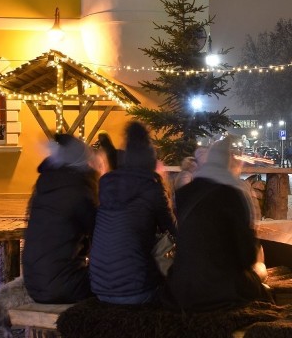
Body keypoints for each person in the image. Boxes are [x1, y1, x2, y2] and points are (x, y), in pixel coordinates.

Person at [165, 137, 268, 311]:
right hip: (220, 291)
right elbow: (247, 256)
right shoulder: (233, 195)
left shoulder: (184, 193)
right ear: (228, 165)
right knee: (261, 272)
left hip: (183, 288)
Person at [89, 121, 176, 305]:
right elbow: (172, 229)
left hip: (99, 287)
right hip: (135, 290)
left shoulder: (106, 183)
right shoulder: (152, 187)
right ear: (150, 160)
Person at [22, 133, 98, 304]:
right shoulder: (78, 189)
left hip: (35, 285)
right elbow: (100, 233)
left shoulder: (45, 183)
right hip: (64, 287)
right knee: (119, 281)